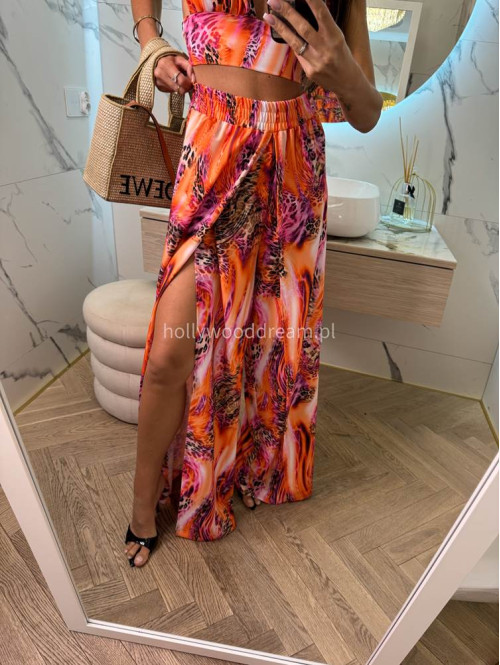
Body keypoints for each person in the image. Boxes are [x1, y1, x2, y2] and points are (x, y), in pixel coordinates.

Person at [124, 0, 382, 567]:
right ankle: (143, 508)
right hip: (213, 142)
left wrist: (339, 66)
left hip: (294, 159)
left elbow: (367, 112)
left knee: (270, 345)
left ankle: (248, 467)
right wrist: (150, 42)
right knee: (169, 353)